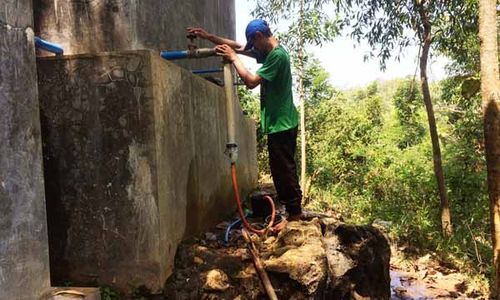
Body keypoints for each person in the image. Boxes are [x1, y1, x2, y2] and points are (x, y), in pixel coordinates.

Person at [187, 19, 303, 222]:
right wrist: (208, 37)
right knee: (279, 168)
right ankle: (292, 210)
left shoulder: (277, 56)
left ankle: (295, 213)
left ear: (259, 37)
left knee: (284, 169)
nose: (252, 49)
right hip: (279, 122)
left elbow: (250, 82)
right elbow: (239, 46)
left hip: (282, 122)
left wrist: (233, 58)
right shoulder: (268, 52)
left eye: (254, 43)